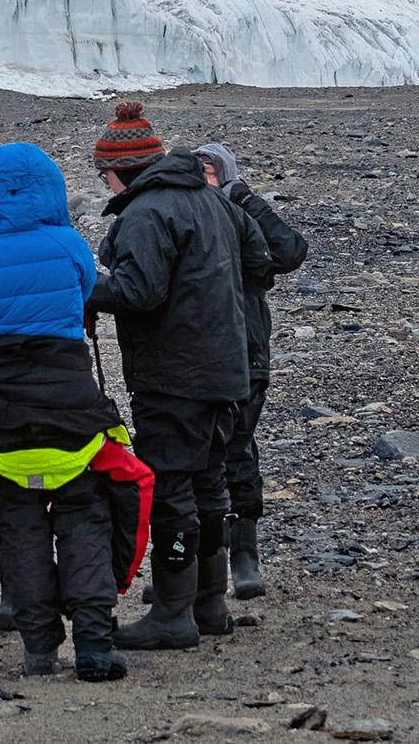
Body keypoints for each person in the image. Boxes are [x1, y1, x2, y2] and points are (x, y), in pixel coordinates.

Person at [0, 143, 146, 683]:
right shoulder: (68, 243)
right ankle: (95, 649)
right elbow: (85, 293)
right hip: (73, 409)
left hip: (4, 414)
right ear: (50, 190)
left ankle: (38, 652)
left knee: (20, 532)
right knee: (85, 524)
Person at [82, 103, 271, 651]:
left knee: (170, 490)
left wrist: (86, 289)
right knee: (209, 482)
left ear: (124, 169)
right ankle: (209, 605)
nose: (104, 185)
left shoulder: (145, 212)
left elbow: (139, 292)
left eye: (104, 175)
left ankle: (171, 613)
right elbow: (260, 260)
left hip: (173, 374)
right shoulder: (214, 199)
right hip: (226, 368)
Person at [195, 143, 310, 599]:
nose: (205, 182)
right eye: (198, 173)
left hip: (246, 349)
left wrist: (243, 197)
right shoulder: (189, 217)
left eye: (212, 173)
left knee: (237, 449)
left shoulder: (244, 214)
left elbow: (291, 251)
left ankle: (244, 554)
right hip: (198, 351)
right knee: (198, 455)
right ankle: (201, 567)